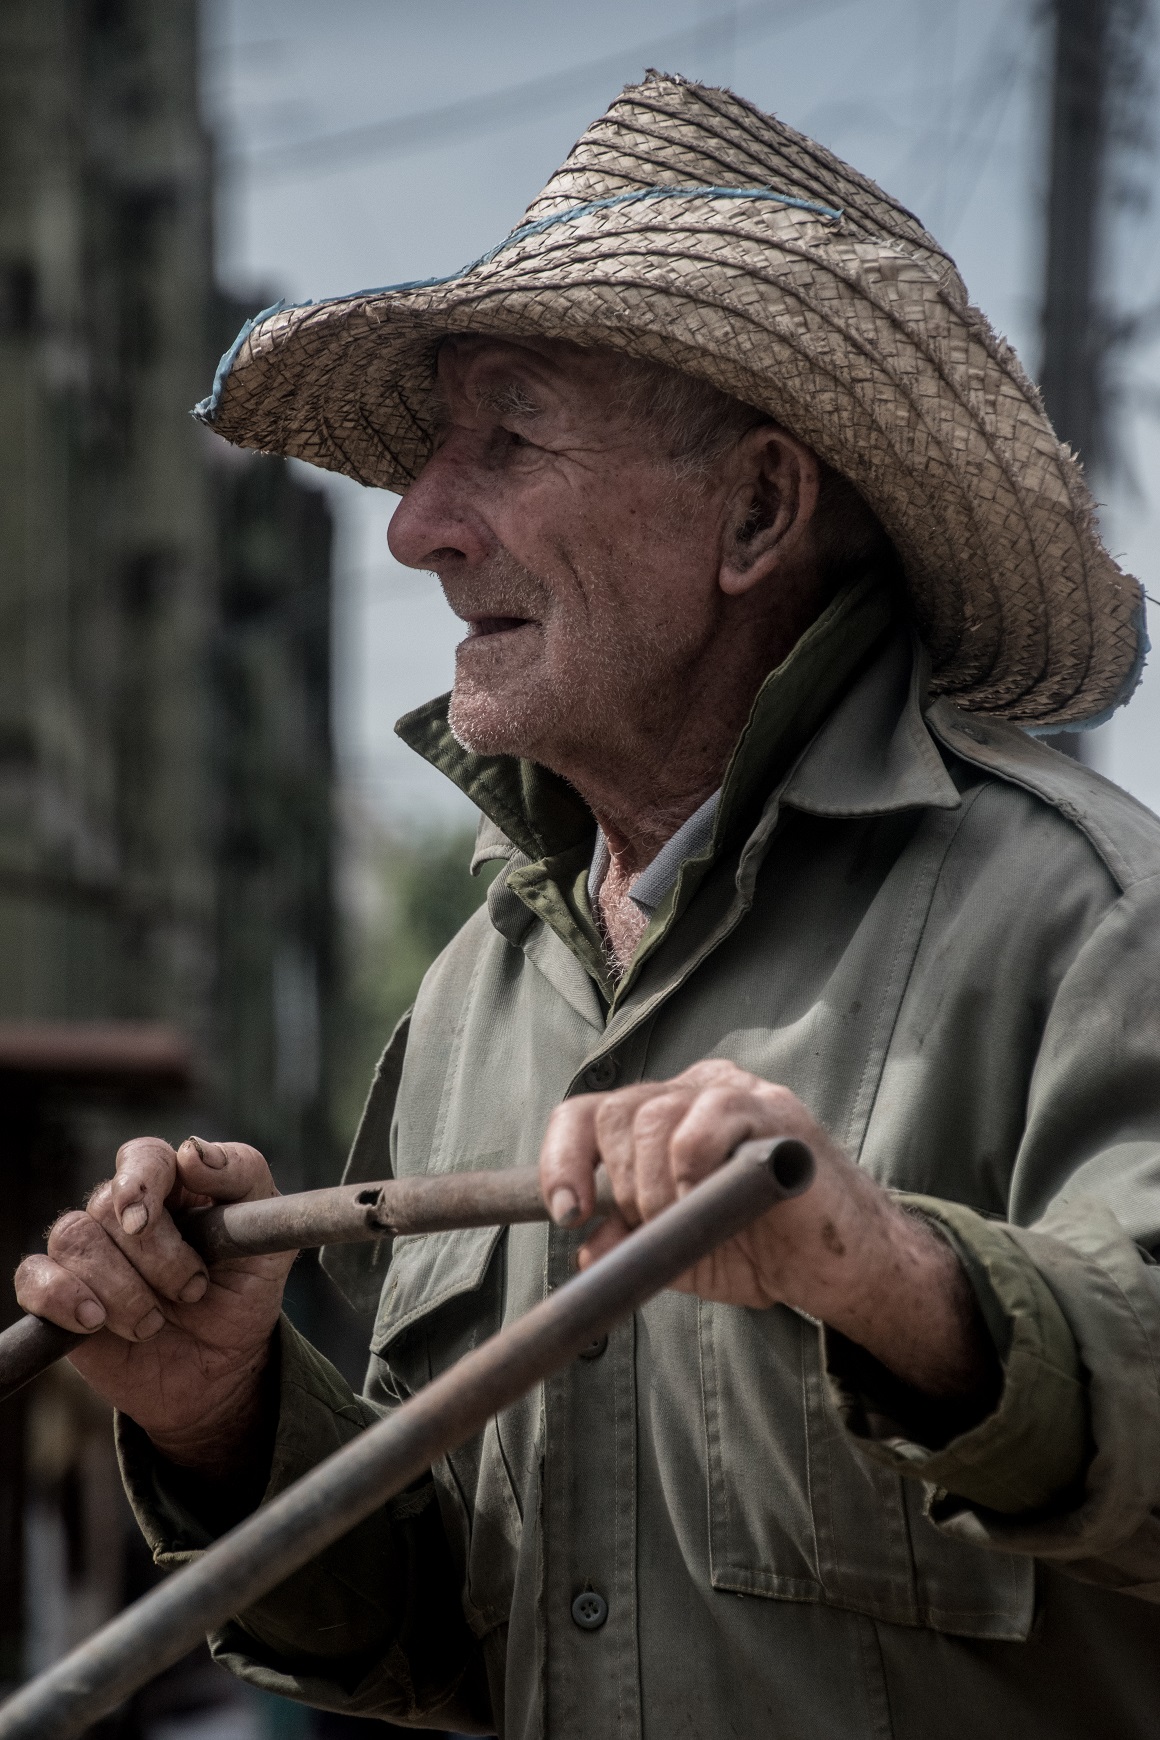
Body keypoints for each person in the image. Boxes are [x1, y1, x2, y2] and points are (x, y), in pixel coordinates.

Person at [16, 74, 1160, 1739]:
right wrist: (229, 1417)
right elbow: (474, 1633)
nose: (413, 526)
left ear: (758, 512)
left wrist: (889, 1277)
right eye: (426, 454)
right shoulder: (481, 996)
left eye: (508, 437)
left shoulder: (1084, 922)